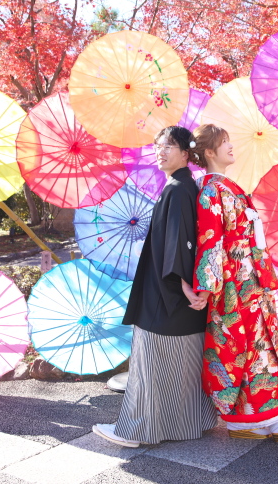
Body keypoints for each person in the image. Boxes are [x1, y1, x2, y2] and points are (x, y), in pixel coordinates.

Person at [93, 126, 218, 448]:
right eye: (158, 146)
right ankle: (193, 423)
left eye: (168, 146)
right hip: (182, 296)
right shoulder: (186, 186)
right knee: (183, 371)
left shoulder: (178, 189)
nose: (160, 151)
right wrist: (190, 284)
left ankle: (135, 432)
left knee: (149, 368)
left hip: (167, 295)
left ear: (186, 154)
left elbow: (180, 243)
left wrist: (182, 284)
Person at [191, 123, 278, 442]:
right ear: (209, 152)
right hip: (233, 282)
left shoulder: (225, 185)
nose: (231, 146)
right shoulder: (210, 189)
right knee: (248, 345)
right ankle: (268, 418)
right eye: (224, 142)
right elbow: (210, 240)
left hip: (248, 277)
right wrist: (206, 286)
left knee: (258, 342)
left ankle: (253, 418)